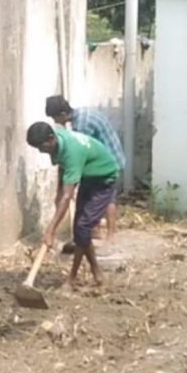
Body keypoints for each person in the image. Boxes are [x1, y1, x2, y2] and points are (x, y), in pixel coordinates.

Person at [26, 122, 119, 291]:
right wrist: (58, 192)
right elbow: (63, 166)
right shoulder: (58, 140)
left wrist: (50, 230)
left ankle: (72, 278)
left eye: (42, 147)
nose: (40, 151)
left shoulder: (72, 152)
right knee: (80, 231)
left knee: (82, 228)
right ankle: (97, 273)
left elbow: (68, 195)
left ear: (51, 138)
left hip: (104, 179)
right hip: (88, 176)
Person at [46, 95, 125, 245]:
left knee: (108, 198)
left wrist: (64, 190)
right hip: (105, 155)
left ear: (63, 114)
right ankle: (93, 232)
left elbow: (80, 154)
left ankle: (111, 234)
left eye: (55, 118)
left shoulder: (81, 125)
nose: (56, 122)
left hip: (108, 160)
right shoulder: (81, 113)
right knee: (95, 197)